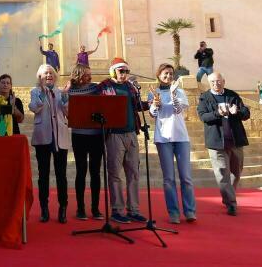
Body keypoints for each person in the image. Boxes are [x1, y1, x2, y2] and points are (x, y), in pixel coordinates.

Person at [91, 57, 148, 224]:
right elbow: (96, 106)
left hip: (131, 133)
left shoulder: (130, 87)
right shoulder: (104, 86)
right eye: (121, 71)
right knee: (115, 173)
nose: (124, 74)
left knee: (133, 173)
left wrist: (150, 104)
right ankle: (117, 209)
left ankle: (133, 210)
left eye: (126, 71)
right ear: (113, 71)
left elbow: (137, 106)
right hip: (114, 134)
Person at [148, 63, 196, 224]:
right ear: (159, 75)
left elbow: (177, 110)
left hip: (181, 138)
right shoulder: (154, 93)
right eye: (165, 74)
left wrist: (174, 94)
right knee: (168, 179)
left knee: (186, 177)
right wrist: (155, 103)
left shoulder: (180, 91)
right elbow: (153, 114)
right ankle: (173, 212)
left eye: (170, 74)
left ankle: (189, 211)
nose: (168, 76)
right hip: (163, 139)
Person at [197, 72, 250, 216]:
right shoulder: (205, 97)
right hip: (216, 143)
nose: (216, 84)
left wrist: (237, 111)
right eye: (213, 82)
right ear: (209, 83)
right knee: (222, 174)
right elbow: (203, 116)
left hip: (235, 141)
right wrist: (218, 113)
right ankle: (231, 203)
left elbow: (246, 113)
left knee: (236, 173)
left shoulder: (233, 95)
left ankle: (228, 196)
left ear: (224, 81)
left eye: (218, 81)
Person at [29, 64, 69, 224]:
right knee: (43, 175)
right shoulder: (35, 92)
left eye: (51, 73)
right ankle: (44, 209)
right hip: (43, 137)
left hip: (60, 137)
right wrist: (42, 95)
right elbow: (34, 108)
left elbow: (68, 112)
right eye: (45, 74)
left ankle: (63, 208)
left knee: (61, 175)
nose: (48, 76)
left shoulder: (61, 92)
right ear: (40, 77)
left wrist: (66, 99)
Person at [67, 64, 103, 221]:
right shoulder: (69, 91)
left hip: (96, 135)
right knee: (81, 171)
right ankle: (80, 208)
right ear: (78, 75)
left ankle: (95, 209)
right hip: (79, 135)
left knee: (95, 172)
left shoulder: (96, 89)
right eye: (87, 74)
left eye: (90, 74)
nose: (90, 77)